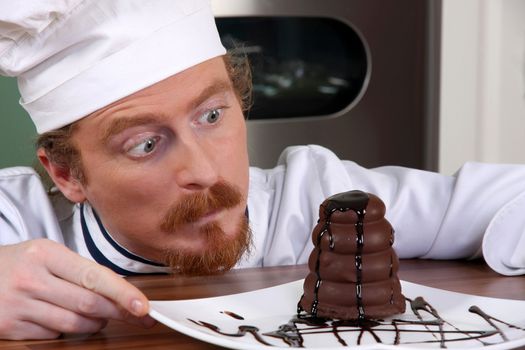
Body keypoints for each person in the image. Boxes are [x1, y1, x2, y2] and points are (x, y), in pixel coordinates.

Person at [1, 0, 525, 341]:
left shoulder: (313, 197)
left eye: (212, 115)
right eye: (144, 144)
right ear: (68, 175)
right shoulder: (16, 221)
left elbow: (506, 200)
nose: (205, 172)